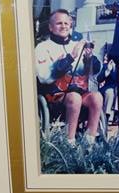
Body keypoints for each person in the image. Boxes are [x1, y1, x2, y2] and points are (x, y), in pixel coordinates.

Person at [35, 9, 103, 146]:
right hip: (54, 96)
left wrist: (89, 58)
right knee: (75, 97)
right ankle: (69, 142)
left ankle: (89, 141)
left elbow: (95, 71)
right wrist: (71, 57)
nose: (64, 26)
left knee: (97, 97)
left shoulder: (76, 45)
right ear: (50, 27)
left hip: (78, 91)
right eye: (59, 23)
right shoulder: (42, 47)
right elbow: (44, 77)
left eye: (66, 23)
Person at [97, 54, 118, 125]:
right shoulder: (106, 66)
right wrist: (108, 71)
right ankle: (106, 115)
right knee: (110, 92)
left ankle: (117, 115)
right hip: (108, 88)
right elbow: (99, 79)